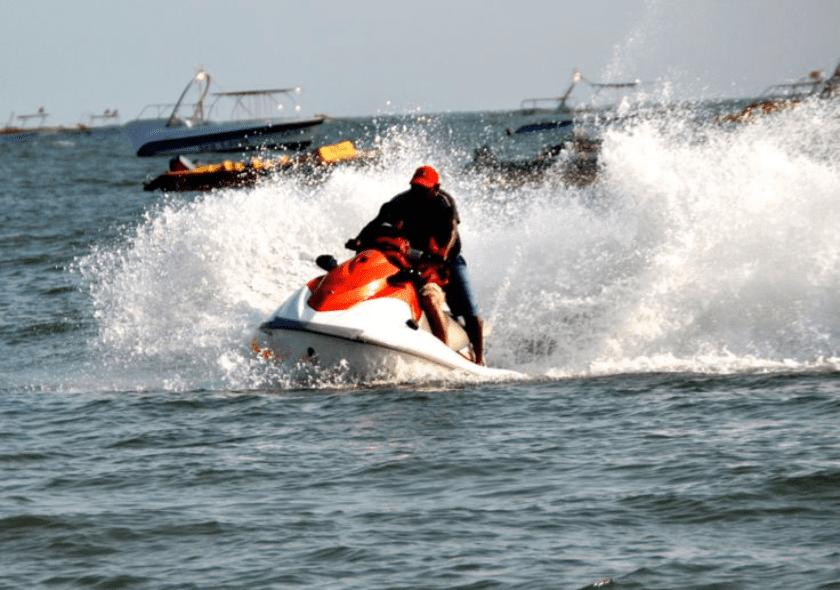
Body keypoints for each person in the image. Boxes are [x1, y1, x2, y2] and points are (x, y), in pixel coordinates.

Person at [345, 165, 486, 365]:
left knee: (468, 308)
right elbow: (376, 223)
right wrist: (359, 240)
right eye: (415, 187)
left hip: (448, 259)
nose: (418, 192)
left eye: (424, 188)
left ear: (436, 188)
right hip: (416, 257)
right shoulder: (403, 201)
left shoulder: (444, 203)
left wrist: (443, 255)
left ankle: (479, 359)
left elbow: (451, 232)